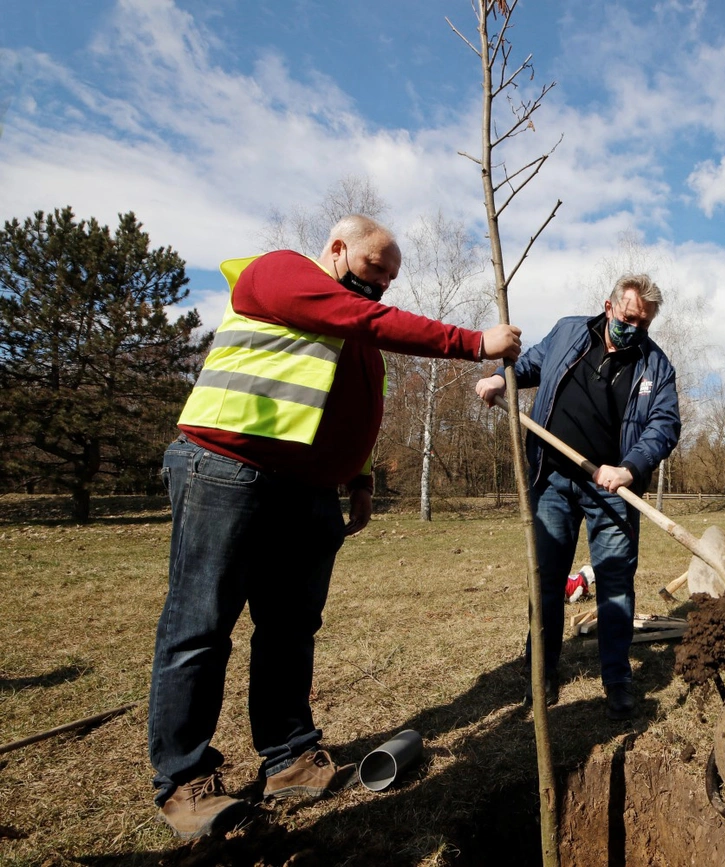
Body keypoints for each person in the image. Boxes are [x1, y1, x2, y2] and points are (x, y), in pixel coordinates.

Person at [148, 215, 522, 839]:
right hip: (227, 468)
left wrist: (363, 478)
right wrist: (472, 343)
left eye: (392, 277)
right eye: (377, 268)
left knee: (291, 629)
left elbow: (353, 407)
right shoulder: (280, 273)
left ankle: (289, 758)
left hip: (308, 491)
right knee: (199, 628)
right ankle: (185, 780)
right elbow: (364, 319)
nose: (383, 285)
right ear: (338, 248)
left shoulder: (351, 326)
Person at [475, 274, 680, 720]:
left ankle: (617, 680)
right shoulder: (569, 330)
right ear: (609, 307)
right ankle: (542, 676)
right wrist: (497, 379)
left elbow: (665, 425)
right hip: (552, 480)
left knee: (614, 584)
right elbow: (529, 366)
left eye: (643, 324)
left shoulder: (655, 366)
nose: (634, 329)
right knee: (546, 580)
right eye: (628, 319)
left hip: (613, 488)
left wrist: (629, 467)